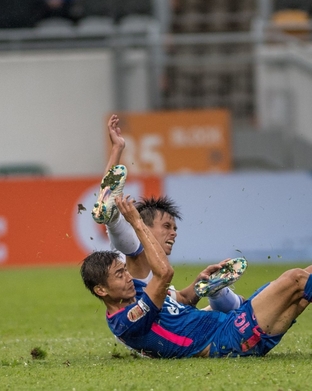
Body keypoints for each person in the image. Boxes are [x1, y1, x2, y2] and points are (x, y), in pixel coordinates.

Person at [81, 194, 312, 358]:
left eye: (125, 271)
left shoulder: (137, 293)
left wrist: (199, 285)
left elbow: (179, 300)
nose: (128, 277)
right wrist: (135, 220)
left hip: (231, 326)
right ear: (101, 290)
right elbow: (162, 271)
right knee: (297, 279)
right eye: (119, 275)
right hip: (226, 341)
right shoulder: (128, 319)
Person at [90, 115, 241, 312]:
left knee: (229, 306)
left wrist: (202, 282)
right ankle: (112, 217)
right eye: (167, 226)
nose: (174, 233)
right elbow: (113, 194)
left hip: (158, 319)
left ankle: (221, 296)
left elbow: (183, 299)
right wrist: (116, 150)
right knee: (133, 246)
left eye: (175, 228)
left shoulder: (155, 271)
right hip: (140, 322)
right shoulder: (138, 256)